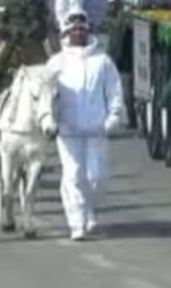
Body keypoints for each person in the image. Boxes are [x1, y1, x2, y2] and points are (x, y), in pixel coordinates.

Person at [46, 12, 126, 241]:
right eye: (74, 30)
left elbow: (114, 91)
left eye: (82, 29)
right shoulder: (57, 63)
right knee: (73, 176)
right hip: (68, 130)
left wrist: (113, 117)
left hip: (96, 128)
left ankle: (87, 208)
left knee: (95, 177)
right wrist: (50, 120)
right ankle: (76, 222)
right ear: (67, 33)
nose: (79, 33)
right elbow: (46, 95)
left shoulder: (102, 60)